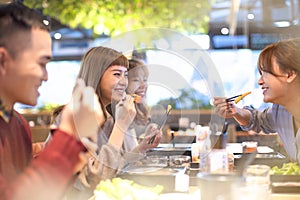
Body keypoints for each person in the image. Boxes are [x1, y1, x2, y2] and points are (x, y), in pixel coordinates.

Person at [0, 3, 105, 200]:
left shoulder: (17, 124)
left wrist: (73, 156)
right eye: (41, 63)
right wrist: (68, 135)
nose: (46, 76)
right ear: (3, 60)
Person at [213, 38, 300, 164]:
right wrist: (235, 111)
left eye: (265, 73)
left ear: (290, 75)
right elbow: (258, 120)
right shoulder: (280, 111)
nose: (259, 81)